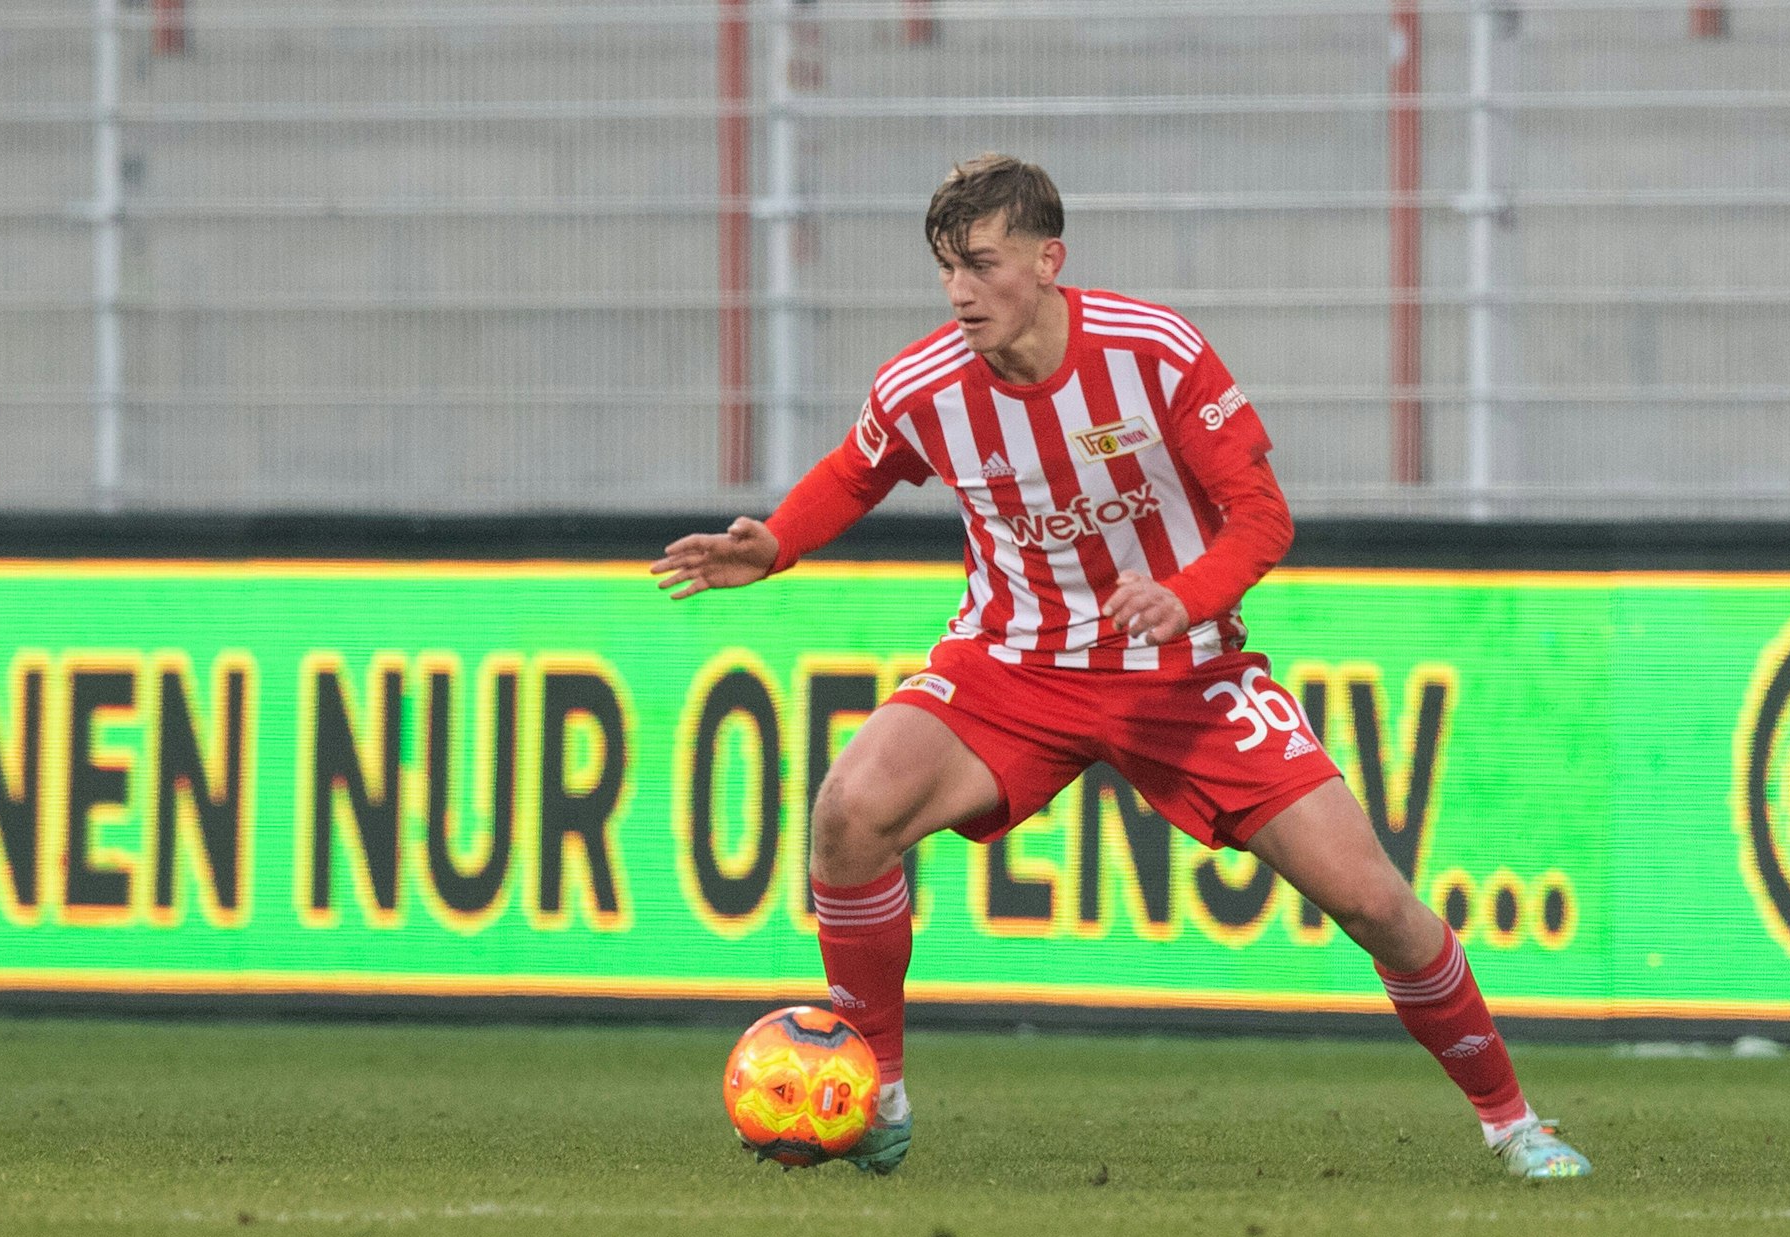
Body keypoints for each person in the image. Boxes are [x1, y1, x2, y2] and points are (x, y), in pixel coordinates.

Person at [653, 153, 1590, 1180]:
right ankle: (875, 1083)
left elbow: (1262, 517)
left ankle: (1512, 1120)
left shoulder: (1154, 355)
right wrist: (776, 543)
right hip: (1012, 667)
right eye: (944, 269)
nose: (959, 290)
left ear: (1048, 261)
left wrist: (1183, 596)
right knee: (847, 811)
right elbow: (857, 466)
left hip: (1183, 674)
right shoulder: (924, 385)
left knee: (1371, 900)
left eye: (980, 264)